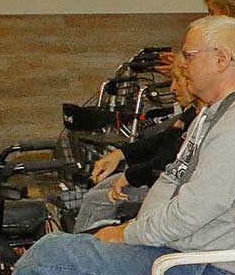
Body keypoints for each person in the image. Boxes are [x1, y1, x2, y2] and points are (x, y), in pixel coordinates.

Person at [15, 16, 235, 275]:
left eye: (189, 55)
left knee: (47, 257)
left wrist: (127, 233)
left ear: (222, 59)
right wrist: (135, 227)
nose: (182, 65)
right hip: (186, 247)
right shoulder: (218, 112)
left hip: (206, 263)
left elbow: (194, 211)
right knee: (59, 245)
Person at [72, 54, 202, 232]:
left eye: (178, 80)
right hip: (159, 177)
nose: (172, 87)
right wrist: (120, 154)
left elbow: (171, 157)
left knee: (96, 200)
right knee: (99, 188)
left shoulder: (203, 119)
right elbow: (164, 140)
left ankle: (81, 245)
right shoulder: (193, 112)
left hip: (173, 188)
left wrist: (132, 176)